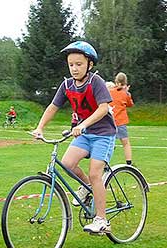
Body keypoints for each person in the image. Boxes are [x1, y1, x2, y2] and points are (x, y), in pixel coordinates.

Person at [32, 41, 116, 234]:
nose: (74, 68)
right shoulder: (67, 85)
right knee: (67, 165)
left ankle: (102, 220)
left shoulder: (96, 82)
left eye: (79, 64)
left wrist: (84, 124)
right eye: (71, 64)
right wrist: (40, 128)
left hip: (103, 134)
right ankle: (87, 186)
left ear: (89, 64)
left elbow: (104, 108)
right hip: (83, 134)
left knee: (96, 173)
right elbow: (53, 107)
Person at [109, 72, 134, 165]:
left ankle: (105, 164)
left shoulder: (110, 91)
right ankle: (129, 163)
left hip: (110, 121)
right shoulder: (125, 94)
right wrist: (127, 92)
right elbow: (130, 104)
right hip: (120, 122)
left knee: (109, 144)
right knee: (125, 143)